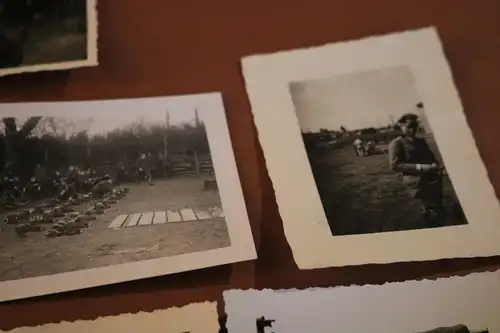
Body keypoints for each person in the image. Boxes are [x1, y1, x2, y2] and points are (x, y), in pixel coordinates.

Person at [388, 107, 445, 221]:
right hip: (415, 180)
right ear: (401, 126)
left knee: (439, 207)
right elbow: (395, 165)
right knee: (432, 212)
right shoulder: (396, 143)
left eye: (415, 126)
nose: (412, 130)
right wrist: (421, 167)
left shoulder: (420, 141)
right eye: (409, 127)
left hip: (432, 177)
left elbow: (431, 158)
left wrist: (437, 166)